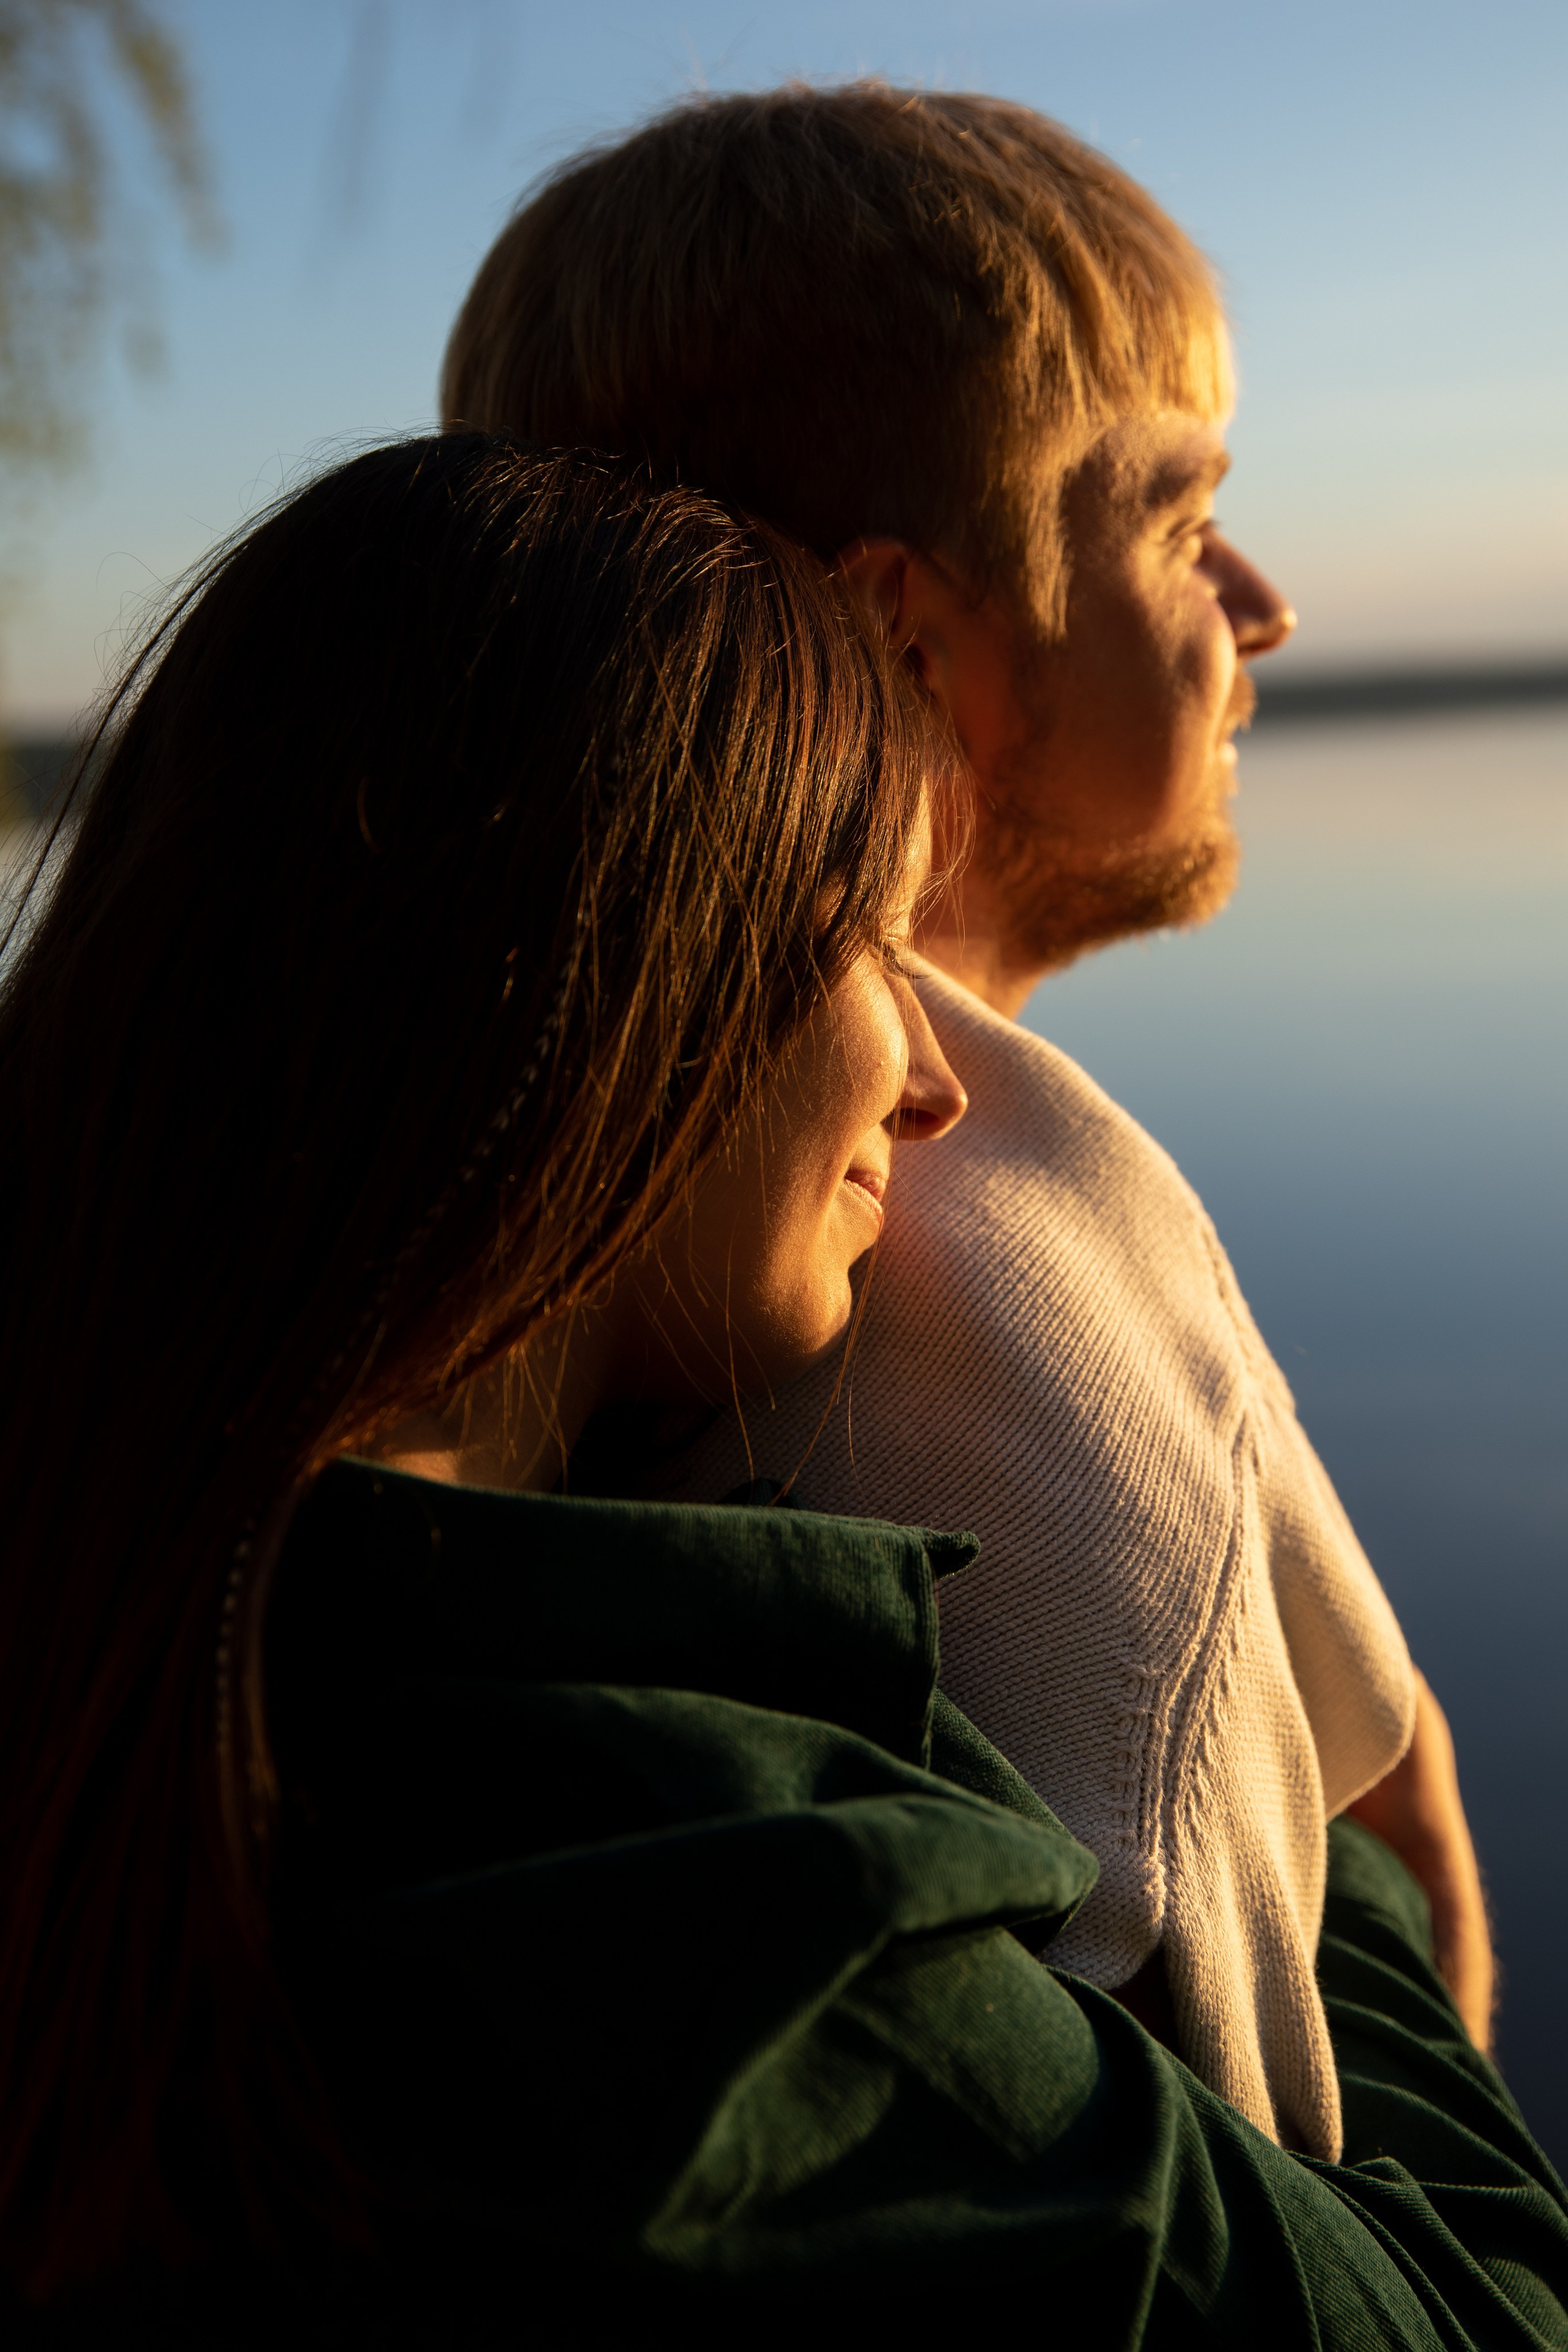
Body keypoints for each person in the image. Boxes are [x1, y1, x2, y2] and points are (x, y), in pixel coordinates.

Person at [0, 434, 1561, 2347]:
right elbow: (1481, 2308)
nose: (936, 1079)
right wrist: (1328, 1856)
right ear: (600, 990)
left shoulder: (136, 1608)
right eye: (863, 940)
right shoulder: (725, 1935)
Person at [440, 81, 1494, 2163]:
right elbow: (1264, 2115)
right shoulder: (997, 1232)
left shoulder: (601, 1140)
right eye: (1184, 524)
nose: (1262, 604)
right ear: (912, 641)